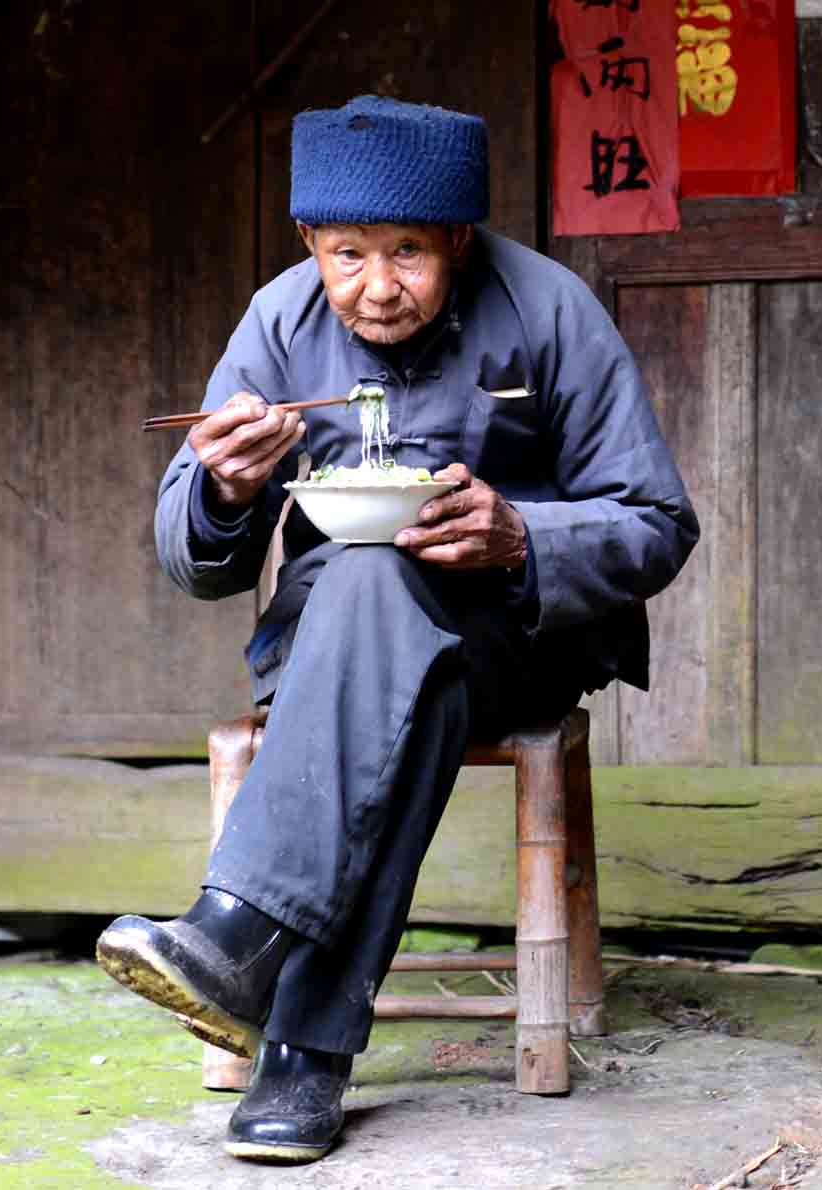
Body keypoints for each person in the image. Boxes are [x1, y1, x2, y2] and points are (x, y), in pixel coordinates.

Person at [96, 95, 698, 1165]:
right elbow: (192, 564)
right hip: (332, 655)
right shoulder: (279, 324)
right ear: (307, 241)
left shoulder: (547, 309)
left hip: (512, 641)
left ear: (458, 238)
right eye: (348, 253)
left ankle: (248, 949)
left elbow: (656, 522)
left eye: (408, 252)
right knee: (386, 626)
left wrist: (522, 534)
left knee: (409, 648)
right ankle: (298, 1046)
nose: (377, 285)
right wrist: (224, 491)